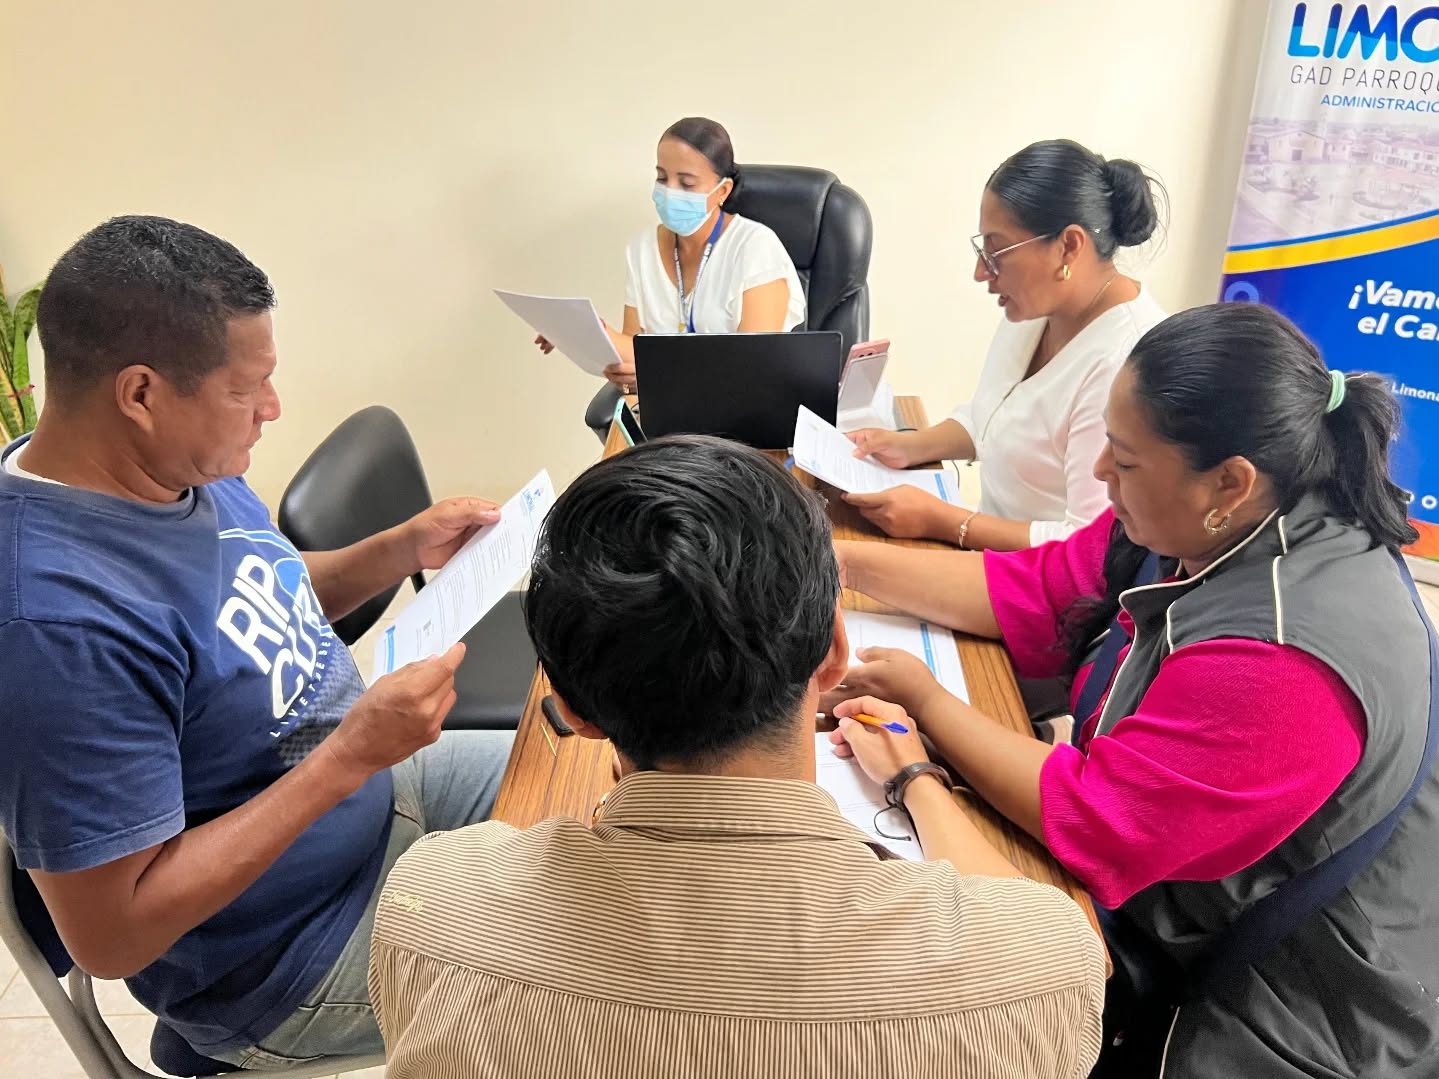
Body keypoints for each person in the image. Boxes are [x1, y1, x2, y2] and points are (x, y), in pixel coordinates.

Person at [369, 436, 1105, 1079]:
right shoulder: (1036, 968)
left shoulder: (432, 909)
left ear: (574, 708)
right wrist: (918, 781)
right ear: (834, 652)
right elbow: (1051, 940)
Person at [829, 303, 1439, 1077]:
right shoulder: (1206, 518)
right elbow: (1037, 587)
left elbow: (1099, 819)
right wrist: (832, 562)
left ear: (1229, 481)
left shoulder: (1285, 665)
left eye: (1122, 458)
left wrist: (923, 717)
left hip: (1290, 1005)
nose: (1098, 474)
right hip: (1174, 883)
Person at [0, 216, 514, 1068]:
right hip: (289, 959)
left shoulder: (162, 468)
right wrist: (347, 757)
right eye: (248, 389)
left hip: (374, 798)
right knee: (593, 977)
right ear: (140, 394)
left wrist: (399, 549)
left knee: (603, 780)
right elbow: (112, 936)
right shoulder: (57, 630)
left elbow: (260, 589)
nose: (272, 409)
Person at [845, 139, 1167, 551]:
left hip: (1043, 579)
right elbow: (993, 417)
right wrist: (906, 446)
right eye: (983, 249)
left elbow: (1087, 546)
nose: (981, 272)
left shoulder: (1124, 362)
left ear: (1069, 246)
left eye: (997, 252)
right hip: (985, 550)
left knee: (848, 564)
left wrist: (945, 521)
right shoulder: (1038, 309)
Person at [540, 117, 805, 409]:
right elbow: (635, 357)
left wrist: (658, 377)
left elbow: (752, 368)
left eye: (687, 183)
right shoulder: (642, 250)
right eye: (662, 178)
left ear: (723, 191)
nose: (670, 191)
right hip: (666, 414)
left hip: (741, 416)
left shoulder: (755, 247)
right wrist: (579, 334)